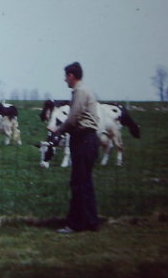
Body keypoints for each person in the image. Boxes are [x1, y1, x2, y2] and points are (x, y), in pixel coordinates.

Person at [48, 61, 100, 233]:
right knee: (85, 183)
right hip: (89, 140)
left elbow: (72, 119)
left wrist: (58, 131)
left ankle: (75, 224)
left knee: (78, 183)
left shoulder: (79, 92)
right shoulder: (85, 90)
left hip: (83, 140)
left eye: (65, 76)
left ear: (71, 76)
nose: (64, 80)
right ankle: (91, 222)